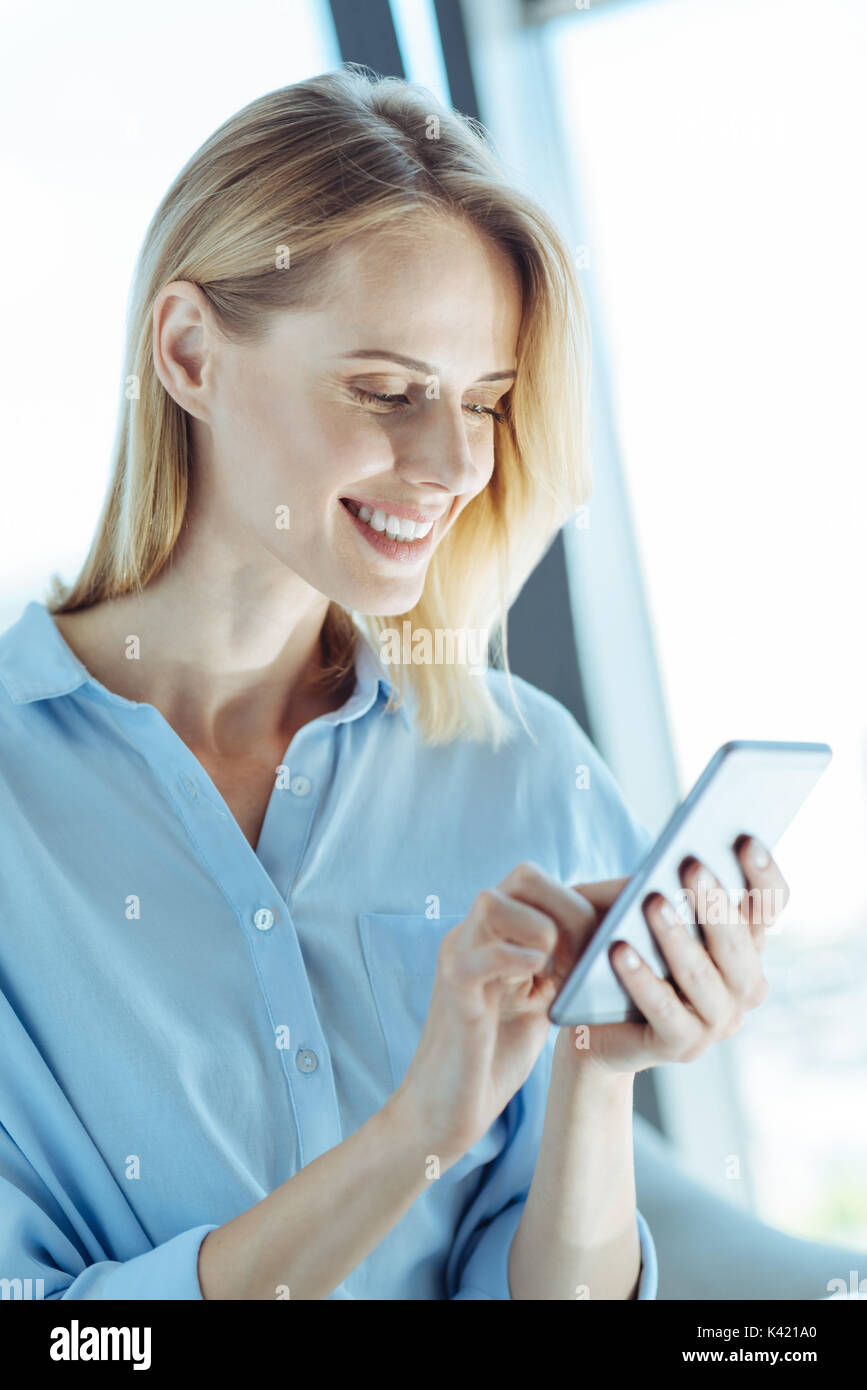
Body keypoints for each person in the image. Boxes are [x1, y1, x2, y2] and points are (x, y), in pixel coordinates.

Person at [0, 67, 787, 1301]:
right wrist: (417, 1126)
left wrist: (593, 1060)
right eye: (387, 390)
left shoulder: (523, 763)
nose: (458, 461)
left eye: (486, 400)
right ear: (190, 352)